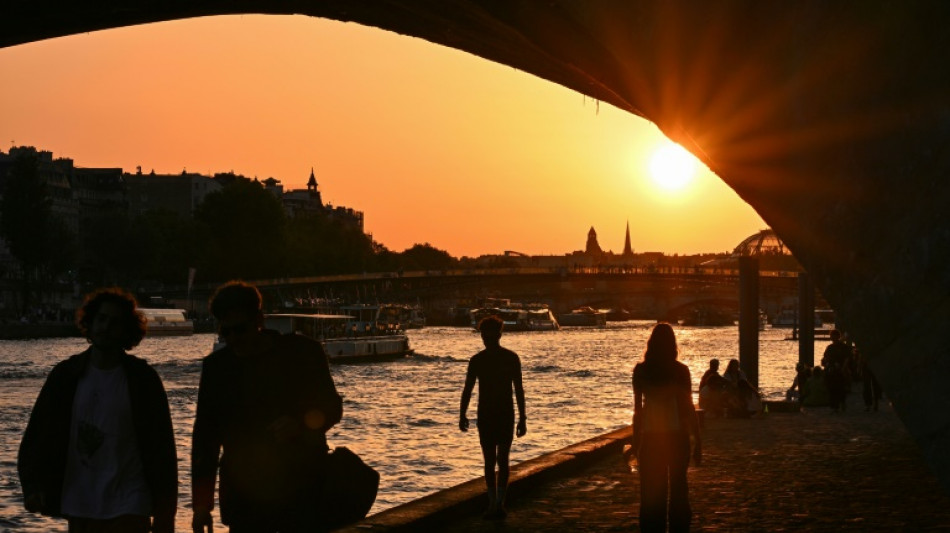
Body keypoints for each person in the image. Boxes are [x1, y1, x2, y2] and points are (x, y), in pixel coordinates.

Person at [18, 288, 177, 533]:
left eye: (114, 322)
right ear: (90, 323)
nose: (106, 327)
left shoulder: (143, 380)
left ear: (125, 331)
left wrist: (165, 516)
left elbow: (162, 449)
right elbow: (38, 435)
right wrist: (32, 486)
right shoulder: (65, 376)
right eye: (102, 319)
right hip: (80, 502)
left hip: (130, 503)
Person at [192, 281, 343, 533]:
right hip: (245, 501)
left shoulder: (303, 354)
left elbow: (332, 407)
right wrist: (201, 506)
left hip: (302, 493)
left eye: (240, 330)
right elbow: (205, 439)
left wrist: (300, 425)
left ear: (259, 320)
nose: (233, 339)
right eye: (225, 332)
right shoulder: (216, 368)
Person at [631, 322, 702, 533]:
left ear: (651, 343)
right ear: (673, 344)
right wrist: (697, 440)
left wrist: (636, 442)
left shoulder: (641, 371)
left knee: (652, 493)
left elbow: (638, 411)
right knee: (679, 488)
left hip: (650, 438)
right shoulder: (681, 371)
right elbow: (688, 408)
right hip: (677, 436)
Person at [459, 315, 527, 520]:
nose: (485, 339)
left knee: (493, 460)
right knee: (499, 460)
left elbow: (468, 390)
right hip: (502, 413)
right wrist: (522, 417)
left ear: (496, 335)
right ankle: (497, 503)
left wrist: (462, 414)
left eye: (487, 336)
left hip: (490, 414)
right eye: (484, 335)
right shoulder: (510, 358)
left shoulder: (478, 360)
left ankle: (494, 504)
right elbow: (519, 390)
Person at [821, 329, 852, 412]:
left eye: (833, 336)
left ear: (838, 336)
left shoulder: (843, 347)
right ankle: (835, 406)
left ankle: (841, 403)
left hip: (840, 369)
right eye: (831, 336)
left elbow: (847, 358)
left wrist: (843, 368)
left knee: (840, 387)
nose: (832, 337)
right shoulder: (829, 347)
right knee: (832, 387)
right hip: (831, 369)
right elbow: (825, 357)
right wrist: (825, 363)